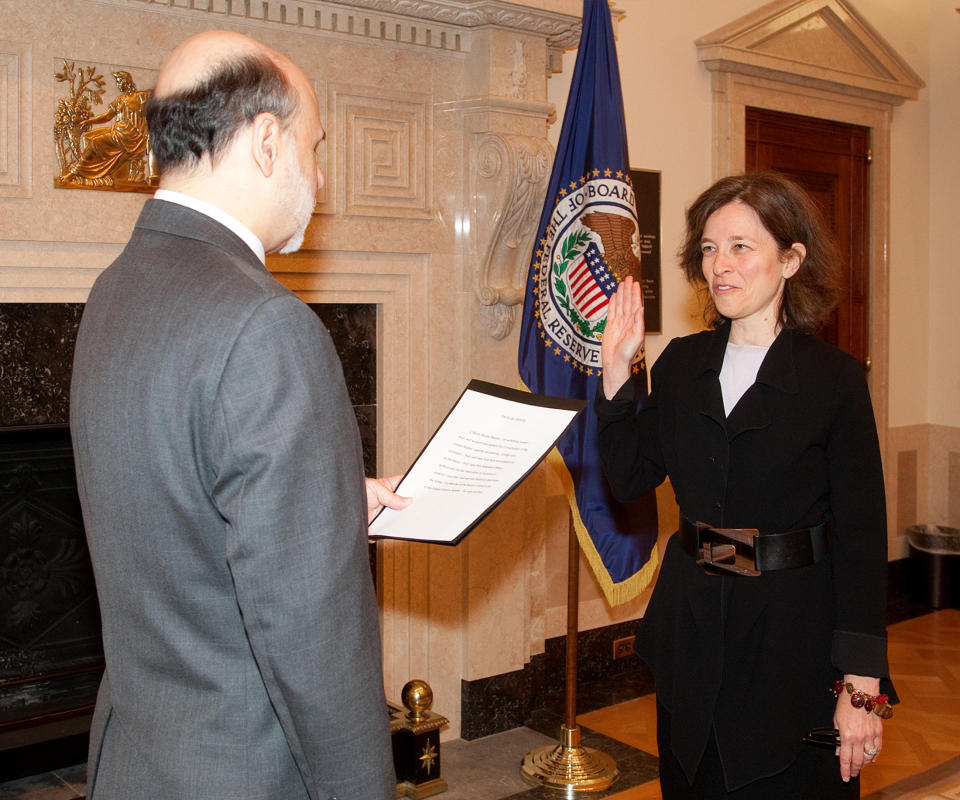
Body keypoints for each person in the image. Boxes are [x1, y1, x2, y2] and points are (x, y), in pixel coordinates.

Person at [70, 31, 409, 799]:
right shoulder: (267, 326)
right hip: (247, 774)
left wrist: (319, 502)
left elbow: (165, 501)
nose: (319, 178)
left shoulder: (114, 291)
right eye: (313, 147)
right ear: (265, 141)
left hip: (141, 763)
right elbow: (315, 649)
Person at [596, 171, 895, 799]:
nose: (719, 266)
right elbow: (628, 481)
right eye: (708, 248)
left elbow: (864, 541)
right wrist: (618, 374)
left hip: (794, 640)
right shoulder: (682, 363)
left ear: (790, 259)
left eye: (741, 247)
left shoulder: (833, 381)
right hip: (693, 632)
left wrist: (861, 686)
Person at [59, 71, 151, 187]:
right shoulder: (119, 100)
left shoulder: (141, 97)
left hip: (130, 137)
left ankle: (74, 172)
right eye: (117, 82)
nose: (118, 85)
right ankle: (94, 172)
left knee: (95, 142)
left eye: (119, 82)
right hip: (118, 131)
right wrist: (90, 121)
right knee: (89, 136)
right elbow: (107, 116)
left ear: (126, 82)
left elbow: (158, 96)